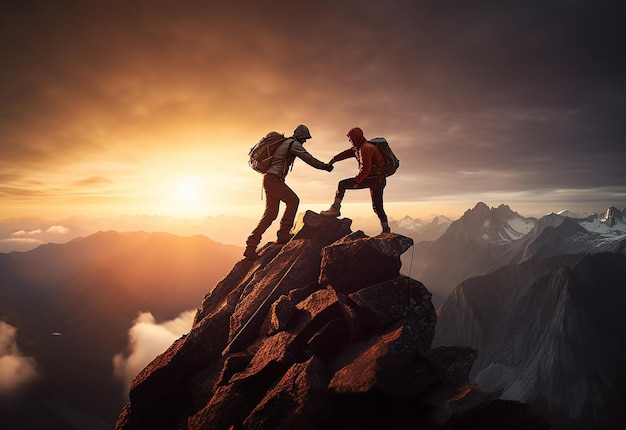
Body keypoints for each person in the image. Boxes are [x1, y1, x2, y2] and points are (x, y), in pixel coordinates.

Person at [245, 124, 333, 259]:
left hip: (269, 179)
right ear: (301, 137)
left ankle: (250, 247)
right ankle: (283, 233)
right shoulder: (293, 144)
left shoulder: (286, 143)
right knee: (293, 201)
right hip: (273, 180)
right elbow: (308, 158)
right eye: (305, 139)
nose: (305, 142)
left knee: (270, 214)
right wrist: (325, 166)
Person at [320, 127, 391, 234]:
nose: (350, 141)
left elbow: (365, 168)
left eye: (351, 138)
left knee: (342, 184)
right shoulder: (359, 147)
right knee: (377, 206)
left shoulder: (365, 148)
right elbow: (346, 153)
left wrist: (356, 182)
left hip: (372, 179)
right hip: (379, 180)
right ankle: (386, 230)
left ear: (356, 137)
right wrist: (333, 160)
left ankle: (335, 209)